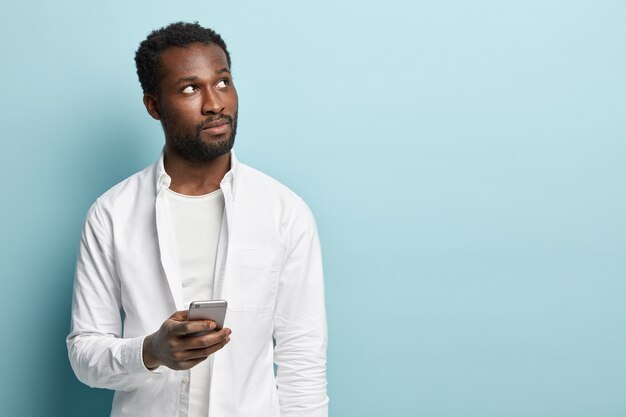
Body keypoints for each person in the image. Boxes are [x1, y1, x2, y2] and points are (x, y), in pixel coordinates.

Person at [66, 22, 328, 417]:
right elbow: (84, 352)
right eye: (190, 89)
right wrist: (150, 351)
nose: (214, 103)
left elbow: (302, 358)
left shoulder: (283, 212)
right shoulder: (112, 214)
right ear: (154, 106)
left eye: (222, 82)